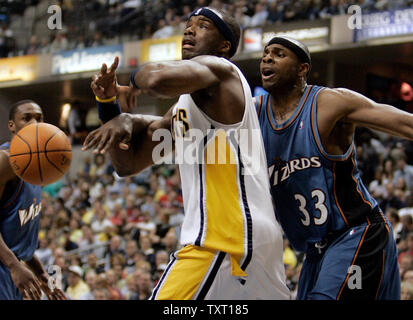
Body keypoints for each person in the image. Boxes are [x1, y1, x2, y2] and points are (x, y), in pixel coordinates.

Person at [83, 7, 290, 300]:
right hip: (253, 239)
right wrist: (109, 106)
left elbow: (154, 79)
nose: (189, 30)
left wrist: (132, 82)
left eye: (203, 25)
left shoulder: (222, 70)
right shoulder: (187, 106)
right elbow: (127, 163)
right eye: (188, 25)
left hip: (222, 238)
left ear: (224, 46)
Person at [254, 36, 403, 299]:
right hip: (316, 250)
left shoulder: (329, 103)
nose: (267, 58)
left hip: (358, 232)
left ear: (302, 69)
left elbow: (403, 123)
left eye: (278, 54)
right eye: (265, 53)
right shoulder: (254, 115)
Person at [0, 100, 67, 300]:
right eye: (26, 118)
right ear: (12, 125)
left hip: (11, 264)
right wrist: (13, 266)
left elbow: (18, 238)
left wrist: (41, 274)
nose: (34, 123)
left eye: (39, 118)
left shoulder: (37, 166)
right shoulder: (5, 161)